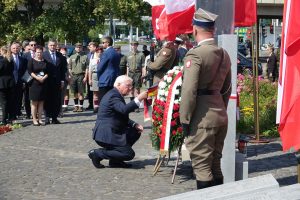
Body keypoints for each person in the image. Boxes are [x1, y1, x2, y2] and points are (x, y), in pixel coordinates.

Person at [179, 8, 232, 190]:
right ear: (213, 29)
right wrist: (220, 108)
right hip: (220, 114)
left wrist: (184, 118)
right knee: (215, 164)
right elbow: (227, 88)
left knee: (202, 167)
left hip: (202, 117)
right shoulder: (224, 54)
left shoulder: (195, 54)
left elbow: (188, 91)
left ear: (194, 30)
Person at [88, 75, 148, 168]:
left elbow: (121, 115)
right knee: (128, 154)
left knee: (135, 131)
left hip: (113, 130)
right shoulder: (113, 95)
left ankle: (115, 161)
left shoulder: (116, 94)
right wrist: (139, 98)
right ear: (118, 84)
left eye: (131, 86)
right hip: (106, 134)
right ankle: (97, 154)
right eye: (128, 85)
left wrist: (134, 124)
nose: (130, 88)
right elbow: (124, 109)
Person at [43, 39, 67, 124]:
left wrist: (62, 80)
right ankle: (46, 117)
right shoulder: (44, 55)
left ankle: (54, 117)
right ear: (48, 46)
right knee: (47, 99)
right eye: (51, 45)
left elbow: (63, 69)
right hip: (47, 80)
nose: (52, 47)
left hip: (57, 81)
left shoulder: (60, 55)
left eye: (54, 45)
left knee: (56, 100)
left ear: (56, 46)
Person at [27, 45, 48, 126]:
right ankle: (34, 119)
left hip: (43, 83)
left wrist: (43, 78)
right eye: (37, 52)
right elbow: (30, 71)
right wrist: (37, 78)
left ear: (42, 52)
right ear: (35, 52)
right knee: (34, 103)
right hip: (34, 84)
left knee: (41, 102)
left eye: (40, 52)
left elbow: (47, 72)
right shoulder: (31, 61)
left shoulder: (45, 61)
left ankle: (40, 119)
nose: (39, 54)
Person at [97, 36, 120, 104]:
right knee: (111, 99)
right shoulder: (116, 53)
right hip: (113, 78)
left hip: (105, 80)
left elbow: (100, 68)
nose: (102, 44)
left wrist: (99, 78)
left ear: (107, 43)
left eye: (103, 42)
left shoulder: (106, 53)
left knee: (103, 101)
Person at [69, 42, 88, 112]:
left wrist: (85, 77)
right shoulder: (72, 57)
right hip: (74, 76)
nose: (78, 48)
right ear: (75, 48)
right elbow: (69, 67)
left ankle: (81, 106)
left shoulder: (85, 57)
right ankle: (76, 106)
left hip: (81, 75)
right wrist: (71, 75)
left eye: (80, 47)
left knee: (81, 92)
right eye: (77, 47)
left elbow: (87, 68)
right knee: (74, 92)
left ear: (82, 48)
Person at [126, 41, 145, 112]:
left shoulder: (141, 54)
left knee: (137, 90)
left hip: (138, 73)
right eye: (132, 45)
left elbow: (143, 66)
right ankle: (131, 106)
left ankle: (136, 106)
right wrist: (127, 75)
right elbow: (127, 66)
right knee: (130, 90)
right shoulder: (128, 54)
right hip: (131, 73)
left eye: (135, 45)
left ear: (137, 46)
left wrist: (143, 74)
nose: (133, 46)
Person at [10, 42, 28, 119]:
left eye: (17, 48)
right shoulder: (8, 58)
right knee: (11, 99)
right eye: (14, 48)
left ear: (19, 48)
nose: (15, 49)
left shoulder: (23, 59)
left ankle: (17, 113)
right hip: (10, 82)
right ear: (11, 49)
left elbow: (25, 71)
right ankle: (11, 114)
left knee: (18, 99)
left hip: (20, 82)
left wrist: (24, 81)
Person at [0, 46, 15, 125]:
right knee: (9, 102)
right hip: (10, 83)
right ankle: (10, 118)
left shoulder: (2, 61)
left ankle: (3, 120)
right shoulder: (11, 60)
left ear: (3, 51)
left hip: (2, 83)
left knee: (4, 103)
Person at [88, 46, 104, 113]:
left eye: (101, 52)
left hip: (102, 76)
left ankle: (101, 107)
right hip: (94, 75)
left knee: (101, 93)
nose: (99, 53)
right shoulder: (92, 60)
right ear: (96, 52)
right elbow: (90, 70)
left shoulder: (103, 60)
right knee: (95, 93)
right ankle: (96, 107)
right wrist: (90, 79)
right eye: (98, 52)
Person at [86, 42, 98, 111]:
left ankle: (97, 105)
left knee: (97, 91)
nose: (89, 48)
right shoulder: (88, 55)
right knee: (89, 91)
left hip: (96, 75)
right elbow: (87, 66)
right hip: (89, 74)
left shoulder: (99, 54)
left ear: (95, 47)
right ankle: (91, 104)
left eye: (90, 47)